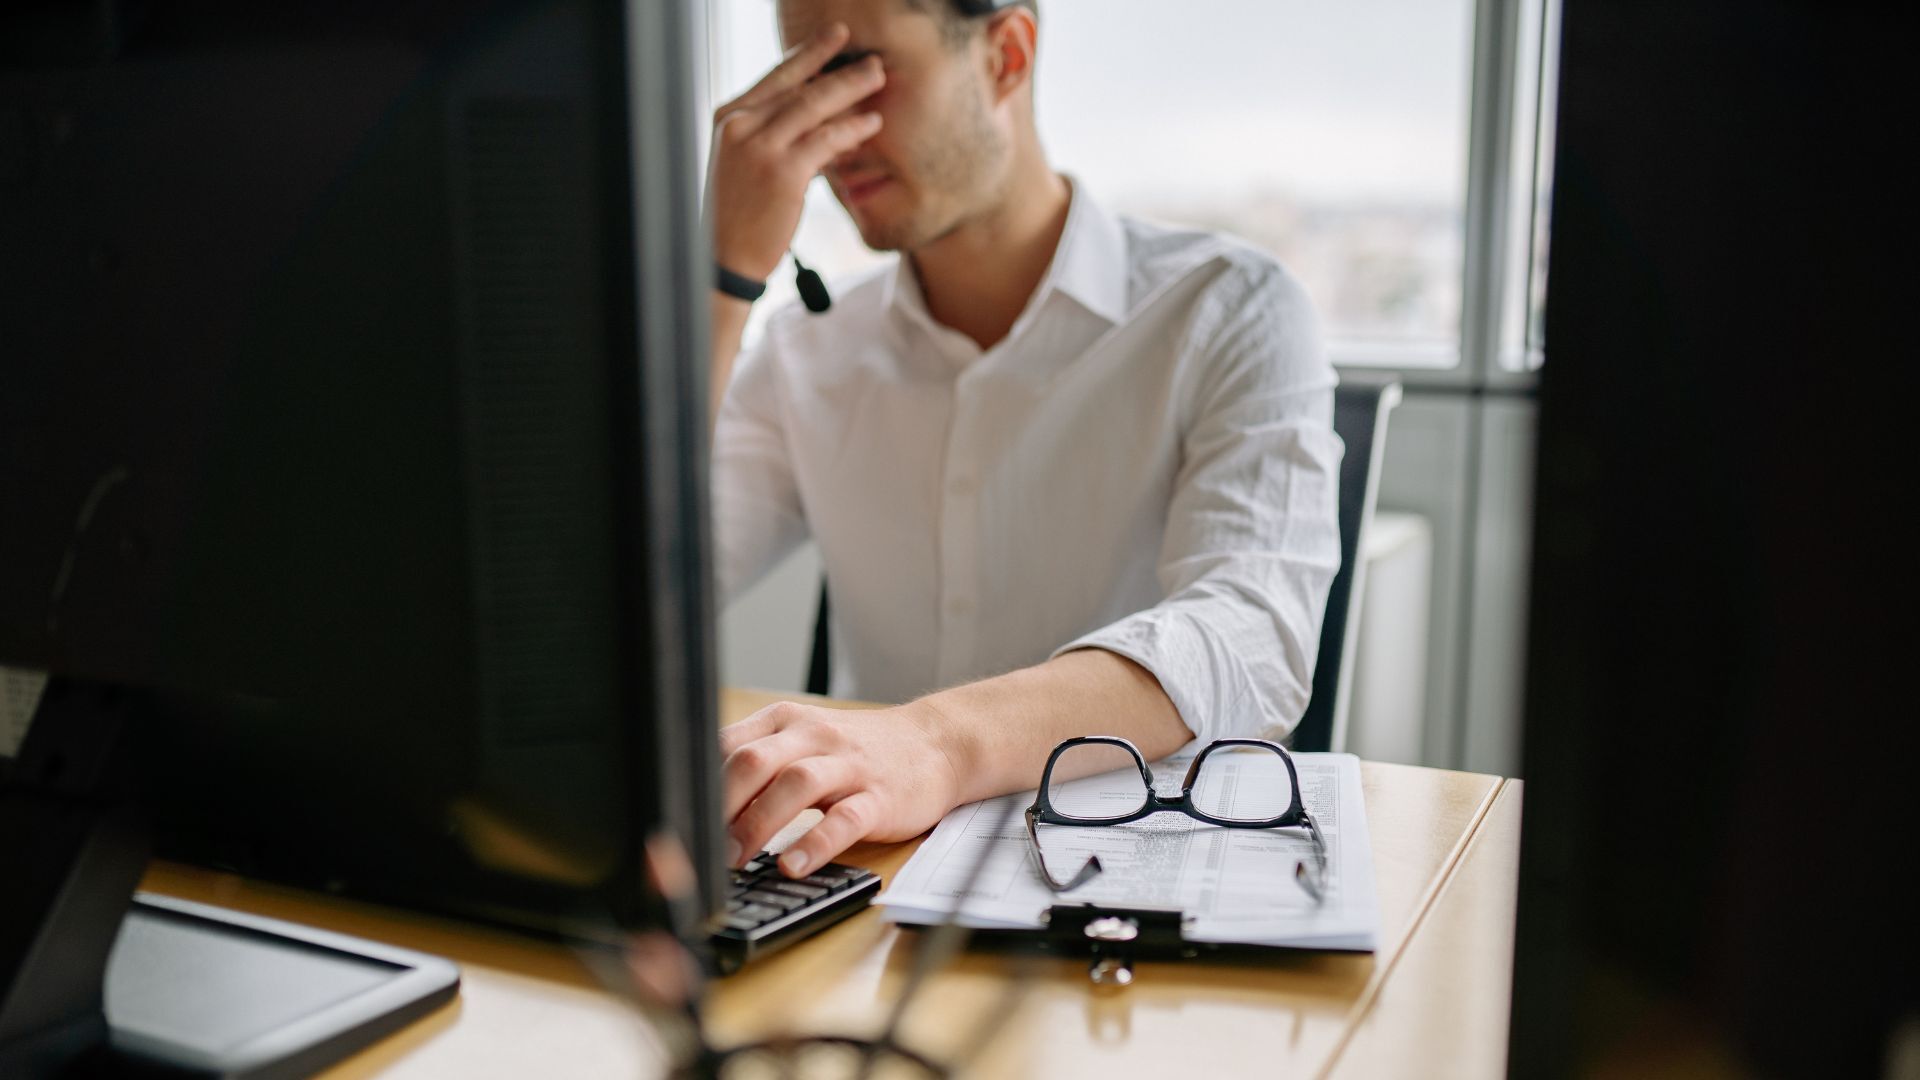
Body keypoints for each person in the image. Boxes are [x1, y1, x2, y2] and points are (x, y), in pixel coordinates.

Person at [705, 0, 1342, 881]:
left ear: (1006, 54)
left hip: (1132, 886)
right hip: (865, 888)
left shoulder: (1229, 310)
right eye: (797, 81)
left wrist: (930, 743)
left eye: (856, 72)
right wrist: (720, 276)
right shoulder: (805, 351)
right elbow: (620, 593)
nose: (825, 134)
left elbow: (1252, 634)